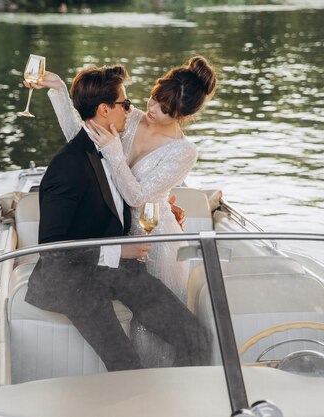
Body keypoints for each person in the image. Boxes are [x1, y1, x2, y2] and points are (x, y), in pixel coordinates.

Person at [24, 64, 211, 372]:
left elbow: (137, 195)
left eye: (162, 108)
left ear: (179, 114)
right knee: (127, 362)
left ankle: (182, 394)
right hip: (84, 272)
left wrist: (164, 209)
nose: (142, 108)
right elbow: (53, 249)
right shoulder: (75, 161)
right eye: (145, 99)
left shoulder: (168, 146)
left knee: (195, 338)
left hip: (135, 246)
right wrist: (58, 90)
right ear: (105, 109)